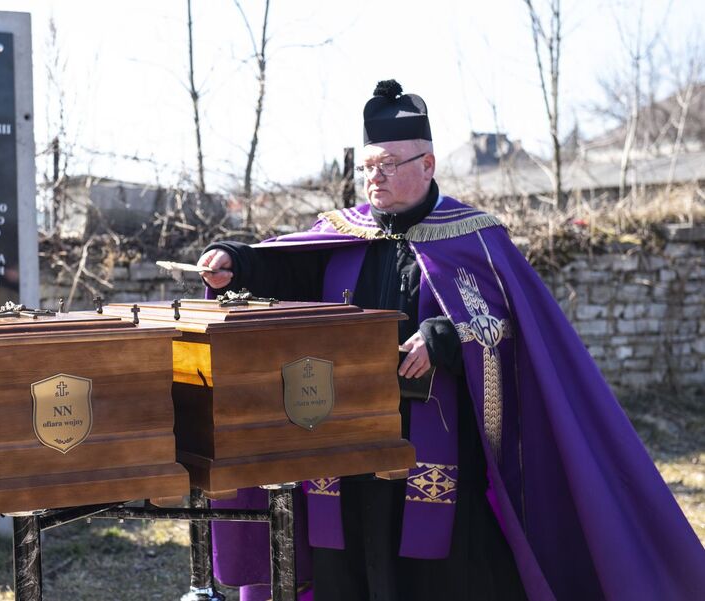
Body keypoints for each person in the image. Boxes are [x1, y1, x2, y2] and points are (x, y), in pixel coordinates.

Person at [197, 80, 705, 601]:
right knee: (346, 570)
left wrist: (443, 338)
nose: (375, 178)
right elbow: (285, 270)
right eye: (368, 166)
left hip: (436, 445)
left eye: (388, 164)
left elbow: (506, 329)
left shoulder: (475, 238)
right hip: (344, 443)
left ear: (428, 164)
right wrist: (235, 262)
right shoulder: (341, 232)